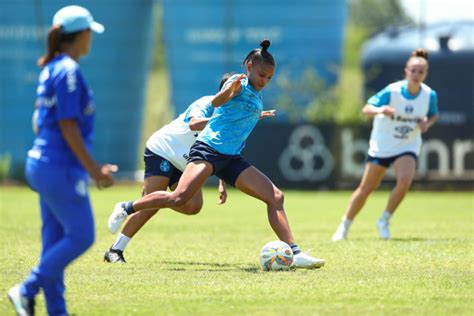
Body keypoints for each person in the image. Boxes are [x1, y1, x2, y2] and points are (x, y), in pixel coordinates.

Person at [108, 39, 326, 269]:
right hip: (195, 150)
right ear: (249, 66)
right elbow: (216, 103)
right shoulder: (237, 83)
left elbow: (233, 124)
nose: (265, 81)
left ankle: (294, 252)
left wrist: (254, 117)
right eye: (262, 75)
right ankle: (126, 209)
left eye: (269, 78)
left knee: (274, 197)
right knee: (176, 199)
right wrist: (228, 93)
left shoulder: (256, 94)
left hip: (228, 158)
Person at [7, 6, 117, 316]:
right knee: (82, 236)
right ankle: (26, 289)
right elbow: (68, 125)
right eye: (89, 33)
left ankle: (57, 311)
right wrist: (94, 169)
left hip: (42, 164)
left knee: (53, 242)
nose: (90, 39)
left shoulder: (52, 67)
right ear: (81, 35)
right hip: (59, 167)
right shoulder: (68, 70)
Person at [104, 75, 234, 263]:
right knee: (150, 207)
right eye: (235, 91)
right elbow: (194, 123)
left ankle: (151, 199)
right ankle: (115, 251)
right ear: (224, 92)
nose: (238, 95)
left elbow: (221, 150)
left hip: (186, 162)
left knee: (193, 206)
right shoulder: (206, 103)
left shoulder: (231, 118)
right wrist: (219, 120)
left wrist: (222, 182)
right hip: (163, 150)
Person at [332, 48, 439, 241]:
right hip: (382, 144)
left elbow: (433, 115)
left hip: (407, 145)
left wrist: (427, 123)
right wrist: (382, 109)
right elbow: (366, 108)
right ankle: (344, 225)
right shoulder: (393, 91)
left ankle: (384, 219)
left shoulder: (429, 95)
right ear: (406, 71)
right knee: (366, 188)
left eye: (420, 72)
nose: (416, 75)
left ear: (426, 74)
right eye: (413, 70)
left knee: (405, 181)